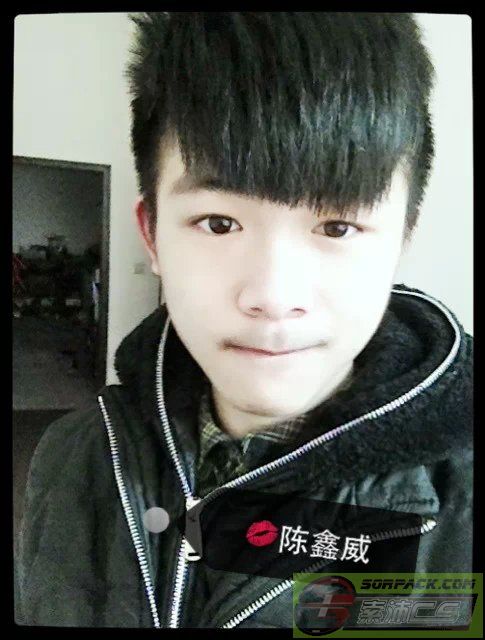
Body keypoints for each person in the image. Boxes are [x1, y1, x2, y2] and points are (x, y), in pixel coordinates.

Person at [15, 12, 473, 629]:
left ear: (402, 240)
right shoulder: (73, 456)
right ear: (152, 235)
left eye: (338, 227)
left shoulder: (460, 498)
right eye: (218, 223)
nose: (273, 296)